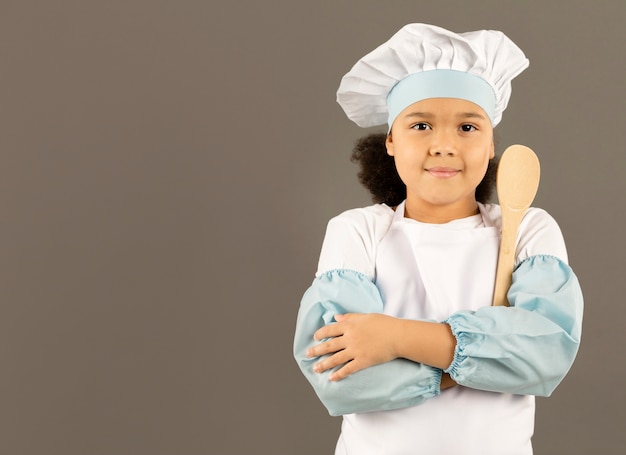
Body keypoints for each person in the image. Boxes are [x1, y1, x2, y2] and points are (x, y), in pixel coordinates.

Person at [292, 23, 584, 454]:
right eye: (421, 125)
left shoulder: (527, 229)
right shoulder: (358, 230)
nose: (444, 145)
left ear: (490, 145)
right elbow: (340, 377)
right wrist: (492, 359)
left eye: (467, 128)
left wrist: (393, 338)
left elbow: (548, 352)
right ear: (391, 140)